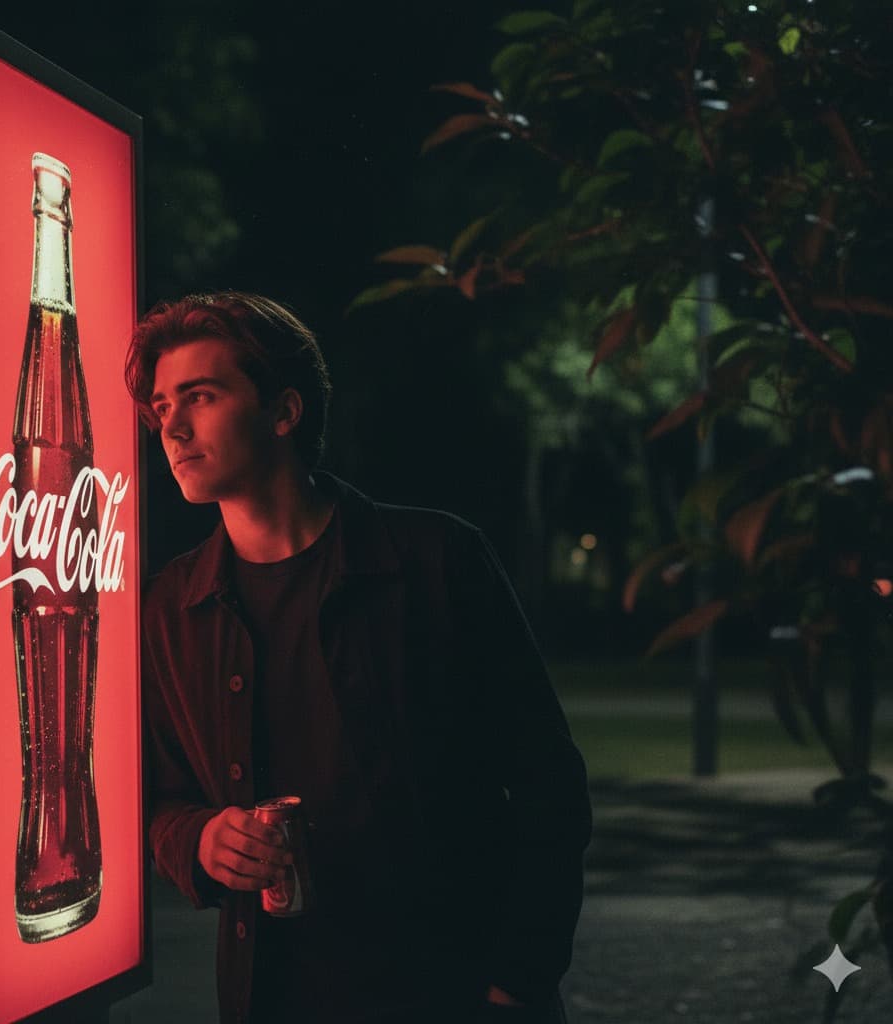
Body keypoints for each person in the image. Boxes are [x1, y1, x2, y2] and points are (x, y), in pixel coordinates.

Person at [125, 291, 592, 1024]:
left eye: (200, 396)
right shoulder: (168, 607)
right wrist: (202, 840)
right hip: (273, 996)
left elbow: (548, 781)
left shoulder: (435, 560)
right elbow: (155, 799)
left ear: (284, 411)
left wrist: (519, 982)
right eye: (160, 407)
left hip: (454, 991)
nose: (172, 427)